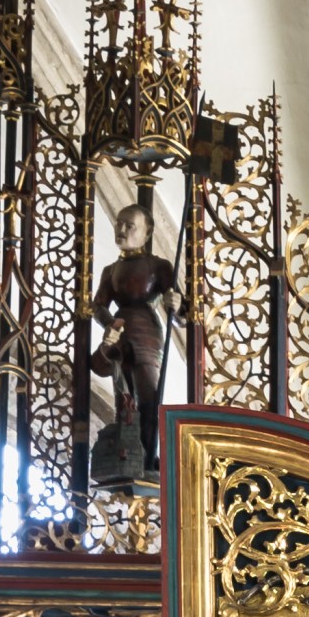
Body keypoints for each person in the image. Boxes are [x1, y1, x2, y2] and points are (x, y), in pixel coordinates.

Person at [87, 199, 180, 485]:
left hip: (146, 333)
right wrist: (108, 325)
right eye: (119, 223)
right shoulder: (110, 271)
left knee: (149, 396)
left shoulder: (158, 266)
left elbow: (181, 312)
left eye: (130, 225)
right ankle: (130, 456)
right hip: (120, 332)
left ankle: (150, 456)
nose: (122, 229)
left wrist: (175, 302)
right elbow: (98, 304)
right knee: (124, 399)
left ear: (147, 232)